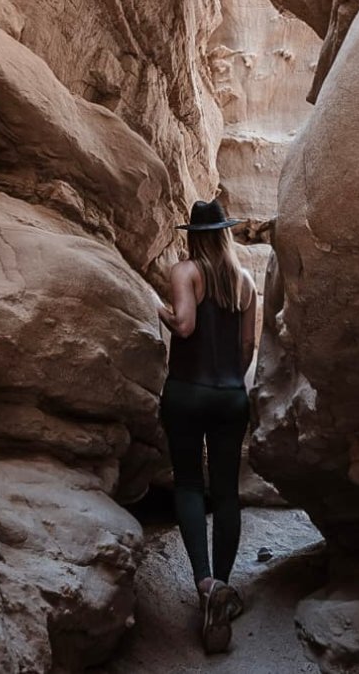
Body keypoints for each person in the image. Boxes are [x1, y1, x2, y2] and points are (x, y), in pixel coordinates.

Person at [155, 199, 258, 655]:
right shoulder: (246, 282)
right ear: (226, 234)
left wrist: (156, 307)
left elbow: (184, 323)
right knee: (227, 492)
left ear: (195, 236)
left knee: (190, 486)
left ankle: (205, 584)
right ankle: (225, 586)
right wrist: (231, 383)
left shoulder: (185, 271)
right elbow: (248, 344)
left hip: (186, 391)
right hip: (229, 395)